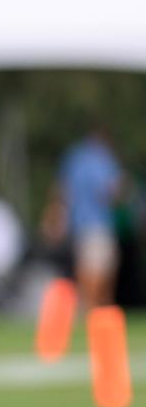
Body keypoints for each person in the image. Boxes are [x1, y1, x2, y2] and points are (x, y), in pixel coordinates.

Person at [59, 127, 124, 309]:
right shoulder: (102, 159)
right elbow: (110, 192)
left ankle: (88, 312)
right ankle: (95, 314)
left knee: (85, 272)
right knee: (101, 275)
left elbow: (63, 191)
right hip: (99, 224)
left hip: (78, 225)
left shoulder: (74, 158)